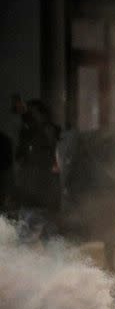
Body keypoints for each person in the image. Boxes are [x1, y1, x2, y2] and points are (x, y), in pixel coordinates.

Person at [15, 99, 61, 240]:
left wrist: (26, 114)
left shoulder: (43, 133)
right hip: (42, 199)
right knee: (50, 242)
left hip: (36, 199)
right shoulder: (42, 135)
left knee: (27, 243)